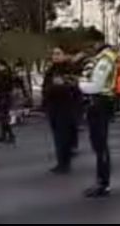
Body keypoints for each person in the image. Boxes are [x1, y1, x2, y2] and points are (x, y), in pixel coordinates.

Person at [79, 37, 117, 198]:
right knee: (98, 145)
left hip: (100, 102)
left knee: (100, 145)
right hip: (98, 103)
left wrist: (78, 85)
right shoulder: (99, 59)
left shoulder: (105, 59)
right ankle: (101, 181)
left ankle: (103, 183)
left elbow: (96, 85)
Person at [42, 46, 81, 174]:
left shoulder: (69, 69)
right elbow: (46, 88)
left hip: (66, 107)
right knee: (57, 136)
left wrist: (61, 85)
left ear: (64, 55)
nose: (56, 56)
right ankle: (61, 162)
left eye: (58, 54)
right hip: (53, 107)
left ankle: (65, 163)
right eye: (54, 54)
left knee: (64, 136)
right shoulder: (50, 71)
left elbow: (75, 87)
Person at [0, 59, 16, 144]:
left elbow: (3, 85)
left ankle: (11, 135)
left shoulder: (5, 73)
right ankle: (4, 135)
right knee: (2, 117)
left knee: (3, 116)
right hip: (1, 95)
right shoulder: (0, 73)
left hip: (5, 96)